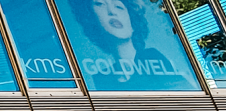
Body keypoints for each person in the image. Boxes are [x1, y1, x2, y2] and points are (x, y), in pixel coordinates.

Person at [66, 0, 195, 90]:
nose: (111, 11)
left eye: (119, 7)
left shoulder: (152, 58)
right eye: (100, 4)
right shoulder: (101, 78)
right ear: (92, 20)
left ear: (132, 21)